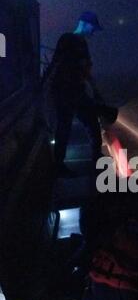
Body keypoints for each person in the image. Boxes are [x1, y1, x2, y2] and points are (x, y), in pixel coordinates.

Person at [43, 11, 118, 177]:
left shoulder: (76, 42)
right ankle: (62, 164)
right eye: (93, 27)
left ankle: (92, 157)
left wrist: (94, 90)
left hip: (73, 89)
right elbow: (62, 64)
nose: (93, 32)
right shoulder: (71, 40)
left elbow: (79, 67)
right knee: (68, 125)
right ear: (84, 23)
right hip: (66, 90)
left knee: (87, 121)